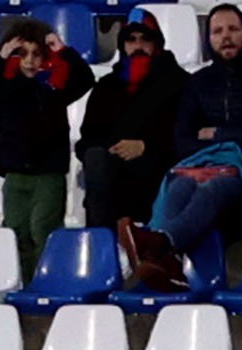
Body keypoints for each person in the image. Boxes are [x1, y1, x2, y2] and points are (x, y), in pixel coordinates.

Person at [118, 4, 242, 288]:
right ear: (208, 39)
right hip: (201, 167)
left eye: (233, 29)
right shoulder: (198, 83)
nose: (226, 37)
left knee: (213, 187)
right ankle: (168, 264)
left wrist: (216, 134)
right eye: (217, 31)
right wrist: (213, 155)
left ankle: (160, 244)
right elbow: (182, 141)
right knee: (180, 186)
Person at [0, 14, 91, 279]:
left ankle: (47, 282)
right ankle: (26, 285)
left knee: (43, 229)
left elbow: (85, 79)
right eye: (22, 54)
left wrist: (64, 52)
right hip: (15, 173)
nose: (29, 61)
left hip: (48, 173)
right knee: (16, 232)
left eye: (36, 54)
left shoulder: (55, 85)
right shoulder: (5, 87)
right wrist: (0, 57)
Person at [79, 9, 187, 235]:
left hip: (160, 168)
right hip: (112, 171)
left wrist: (145, 146)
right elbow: (88, 138)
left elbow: (186, 134)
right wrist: (112, 149)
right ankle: (102, 243)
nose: (138, 46)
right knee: (96, 158)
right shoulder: (106, 87)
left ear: (157, 43)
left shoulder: (180, 83)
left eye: (145, 39)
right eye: (131, 39)